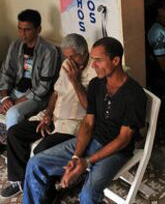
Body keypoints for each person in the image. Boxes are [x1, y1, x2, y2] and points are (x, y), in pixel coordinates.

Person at [23, 37, 147, 203]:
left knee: (87, 196)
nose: (93, 65)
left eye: (98, 60)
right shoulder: (96, 84)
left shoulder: (134, 94)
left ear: (116, 60)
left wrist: (86, 162)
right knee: (35, 164)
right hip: (91, 141)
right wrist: (76, 158)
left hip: (115, 151)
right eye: (92, 59)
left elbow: (123, 139)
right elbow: (88, 123)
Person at [0, 33, 96, 200]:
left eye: (73, 56)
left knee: (41, 150)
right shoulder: (67, 63)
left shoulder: (95, 71)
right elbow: (55, 93)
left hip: (73, 124)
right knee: (15, 133)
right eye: (67, 56)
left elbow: (90, 107)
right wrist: (48, 114)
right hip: (54, 118)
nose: (69, 61)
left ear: (85, 52)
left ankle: (48, 192)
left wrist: (75, 81)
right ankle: (21, 181)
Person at [0, 9, 59, 132]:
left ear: (38, 30)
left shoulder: (49, 51)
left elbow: (43, 87)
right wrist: (5, 99)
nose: (22, 34)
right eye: (20, 29)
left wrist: (16, 102)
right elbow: (6, 72)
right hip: (15, 90)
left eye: (27, 30)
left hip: (35, 97)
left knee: (13, 113)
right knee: (7, 106)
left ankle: (11, 147)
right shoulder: (15, 45)